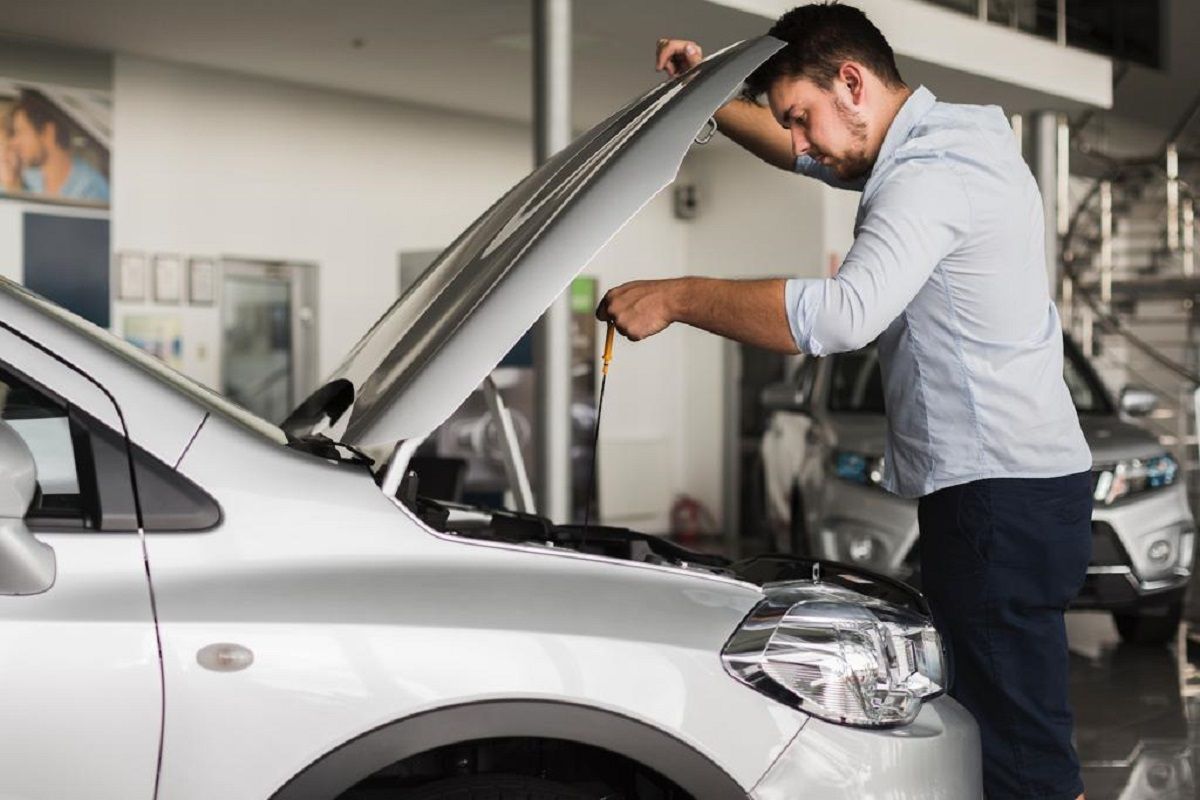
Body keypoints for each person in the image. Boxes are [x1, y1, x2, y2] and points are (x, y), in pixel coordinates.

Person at [596, 4, 1092, 799]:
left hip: (999, 496)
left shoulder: (930, 176)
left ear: (853, 82)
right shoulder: (952, 138)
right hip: (1017, 487)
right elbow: (812, 158)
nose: (801, 144)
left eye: (801, 116)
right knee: (1002, 734)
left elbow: (841, 316)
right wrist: (704, 98)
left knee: (1019, 758)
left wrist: (680, 295)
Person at [7, 88, 109, 203]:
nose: (13, 142)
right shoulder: (30, 178)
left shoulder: (91, 190)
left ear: (48, 132)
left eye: (21, 132)